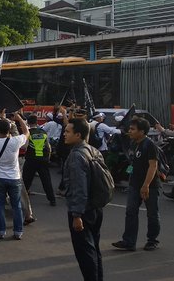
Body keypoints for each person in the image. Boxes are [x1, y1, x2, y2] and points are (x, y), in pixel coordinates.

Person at [63, 118, 104, 281]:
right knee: (94, 250)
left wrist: (77, 215)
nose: (64, 134)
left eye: (67, 131)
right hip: (95, 208)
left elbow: (79, 187)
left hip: (83, 210)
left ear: (78, 134)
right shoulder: (93, 150)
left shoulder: (76, 156)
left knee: (85, 254)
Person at [112, 117, 161, 251]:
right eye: (130, 128)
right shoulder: (134, 143)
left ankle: (152, 240)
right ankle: (129, 241)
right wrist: (129, 175)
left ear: (142, 131)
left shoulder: (149, 145)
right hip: (134, 184)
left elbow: (153, 166)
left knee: (152, 214)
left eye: (133, 129)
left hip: (150, 185)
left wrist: (145, 185)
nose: (130, 131)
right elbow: (133, 163)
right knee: (130, 212)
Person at [0, 112, 29, 240]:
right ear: (9, 129)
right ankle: (18, 232)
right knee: (16, 205)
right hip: (14, 177)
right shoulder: (15, 141)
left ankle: (1, 231)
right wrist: (19, 119)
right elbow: (26, 133)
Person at [22, 115, 56, 206]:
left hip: (31, 159)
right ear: (37, 122)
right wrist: (48, 158)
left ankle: (22, 200)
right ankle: (52, 200)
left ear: (28, 122)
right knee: (46, 181)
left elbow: (24, 146)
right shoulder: (43, 132)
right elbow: (48, 146)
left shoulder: (28, 133)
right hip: (43, 159)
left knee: (26, 180)